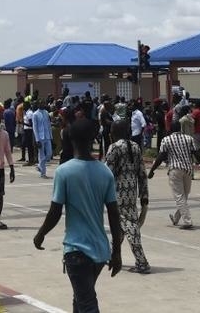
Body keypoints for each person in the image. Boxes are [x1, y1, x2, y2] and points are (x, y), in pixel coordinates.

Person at [34, 117, 123, 312]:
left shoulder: (64, 172)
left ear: (71, 140)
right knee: (81, 299)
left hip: (76, 250)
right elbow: (114, 214)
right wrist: (116, 251)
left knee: (87, 304)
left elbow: (55, 211)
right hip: (100, 251)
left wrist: (41, 233)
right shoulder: (104, 172)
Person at [104, 119, 151, 274]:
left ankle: (142, 261)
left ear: (115, 132)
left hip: (117, 194)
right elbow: (142, 173)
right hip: (131, 192)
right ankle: (111, 256)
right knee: (119, 228)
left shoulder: (114, 148)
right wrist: (144, 195)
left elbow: (106, 173)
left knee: (130, 228)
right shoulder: (135, 146)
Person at [149, 117, 200, 230]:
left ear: (170, 129)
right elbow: (196, 154)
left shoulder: (166, 140)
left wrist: (152, 170)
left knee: (180, 196)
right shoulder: (189, 138)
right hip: (188, 170)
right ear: (180, 128)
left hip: (175, 170)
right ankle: (176, 218)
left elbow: (161, 156)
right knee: (184, 196)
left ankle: (187, 221)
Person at [33, 103, 53, 178]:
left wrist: (51, 137)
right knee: (41, 155)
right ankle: (43, 173)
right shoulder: (35, 114)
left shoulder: (46, 112)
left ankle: (39, 166)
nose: (42, 105)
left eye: (43, 103)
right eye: (41, 103)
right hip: (40, 137)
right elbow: (35, 128)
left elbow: (49, 125)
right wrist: (37, 139)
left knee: (49, 153)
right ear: (38, 105)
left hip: (47, 136)